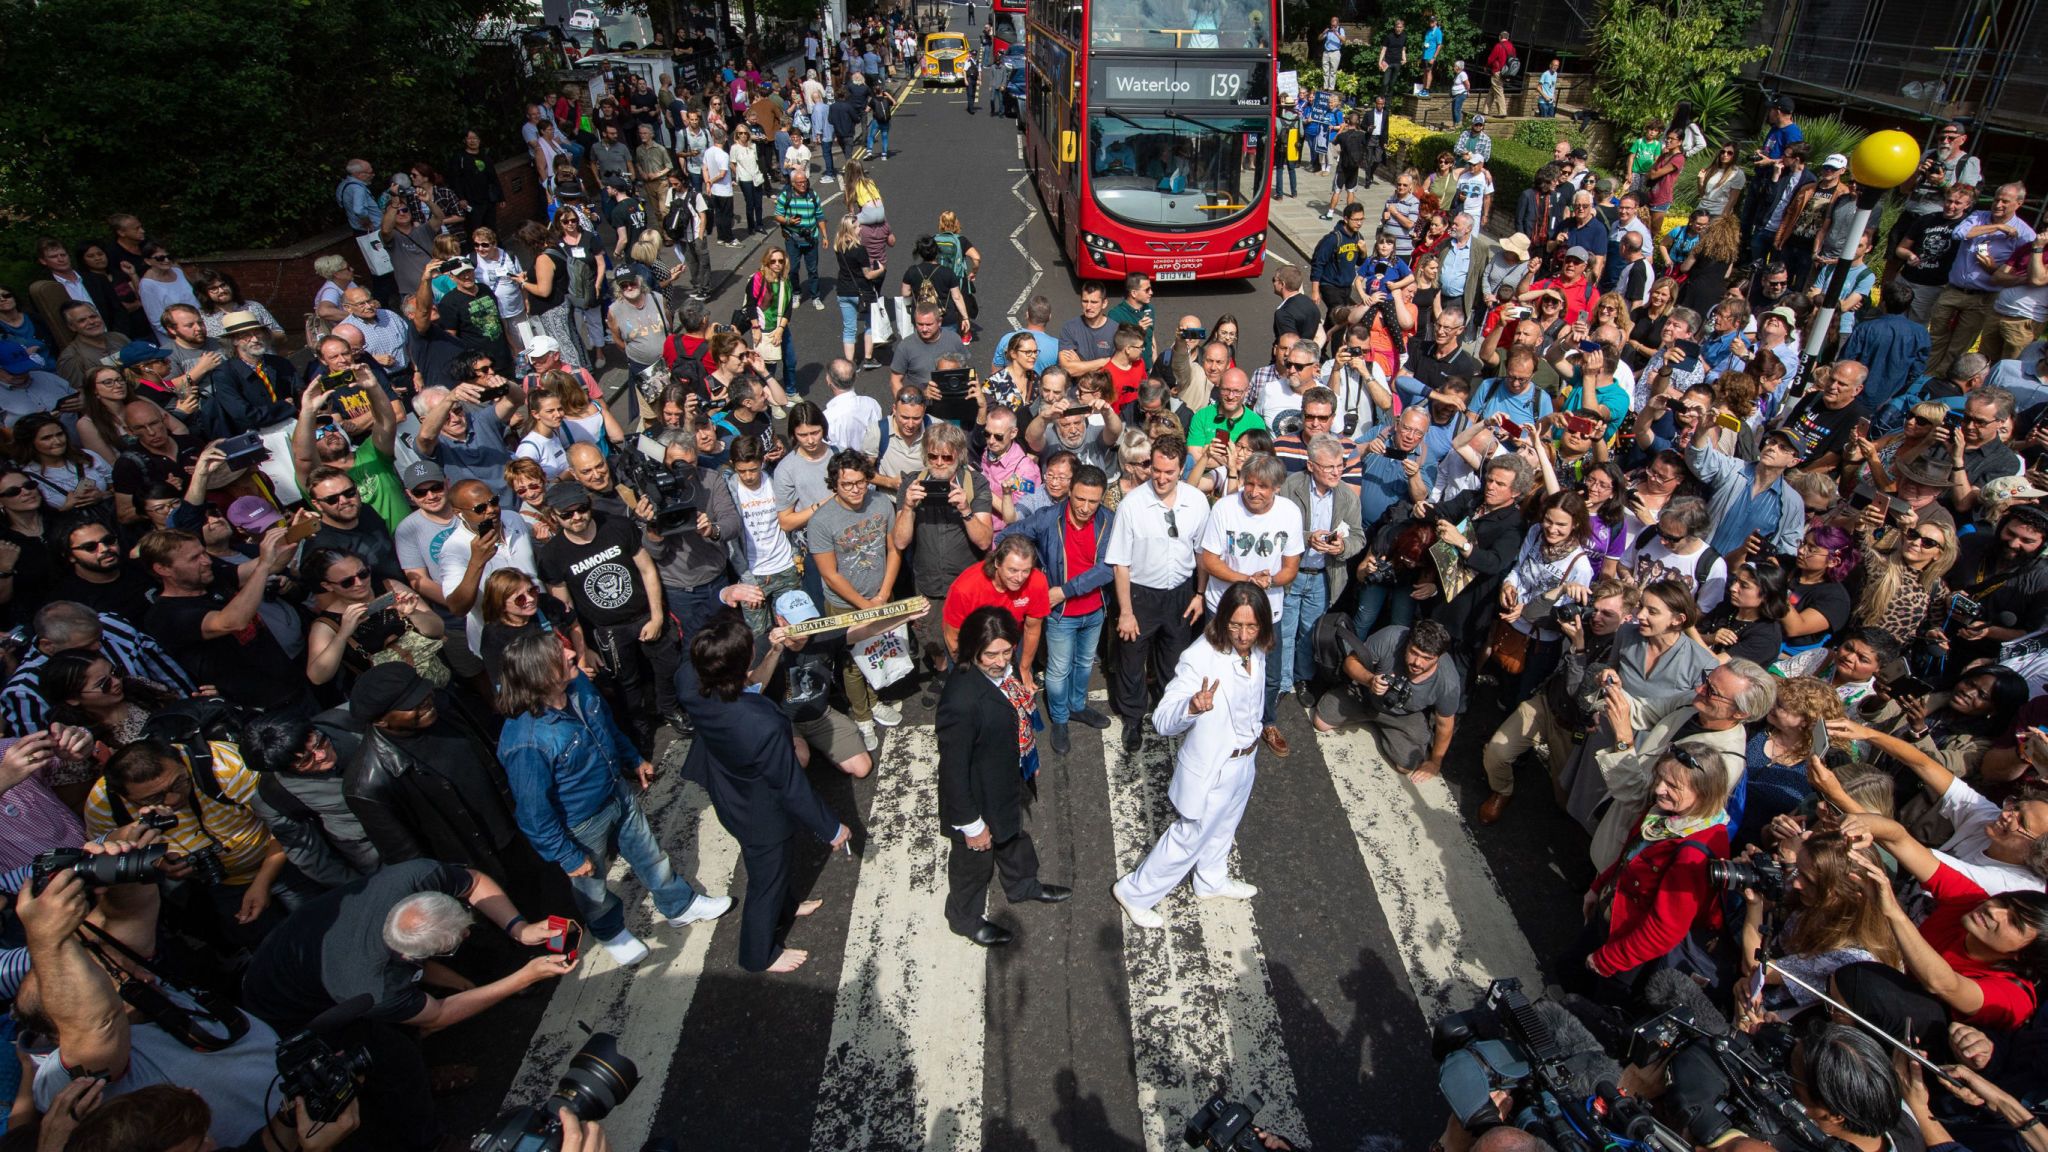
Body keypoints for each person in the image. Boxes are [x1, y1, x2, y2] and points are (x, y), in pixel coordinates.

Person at [240, 859, 569, 1150]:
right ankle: (430, 1139)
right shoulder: (375, 987)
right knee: (392, 1060)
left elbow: (474, 882)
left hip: (314, 947)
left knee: (404, 1027)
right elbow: (437, 1016)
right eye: (455, 944)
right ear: (412, 957)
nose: (467, 936)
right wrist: (524, 977)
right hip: (293, 1005)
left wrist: (519, 929)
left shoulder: (414, 876)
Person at [496, 629, 729, 967]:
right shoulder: (527, 741)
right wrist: (568, 856)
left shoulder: (578, 687)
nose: (571, 655)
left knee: (651, 855)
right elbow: (533, 814)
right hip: (580, 822)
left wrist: (633, 759)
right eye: (558, 657)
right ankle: (609, 931)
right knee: (591, 886)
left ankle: (679, 905)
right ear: (540, 675)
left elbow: (606, 726)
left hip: (617, 792)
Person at [680, 609, 852, 972]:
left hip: (729, 791)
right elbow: (790, 785)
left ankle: (786, 907)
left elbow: (747, 686)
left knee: (771, 869)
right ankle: (759, 954)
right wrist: (832, 828)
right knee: (765, 880)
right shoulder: (761, 723)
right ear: (740, 668)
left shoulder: (690, 682)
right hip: (760, 813)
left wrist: (772, 652)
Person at [1113, 582, 1273, 929]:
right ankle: (1135, 891)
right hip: (1213, 767)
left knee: (1225, 826)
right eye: (1235, 625)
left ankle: (1211, 879)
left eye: (1251, 626)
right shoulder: (1199, 656)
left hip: (1245, 759)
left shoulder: (1256, 649)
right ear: (1222, 620)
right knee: (1189, 837)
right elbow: (1162, 719)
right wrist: (1192, 706)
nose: (1244, 634)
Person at [937, 606, 1074, 946]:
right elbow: (953, 770)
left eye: (1006, 651)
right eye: (990, 655)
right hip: (978, 796)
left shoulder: (1000, 676)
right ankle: (964, 918)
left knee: (1012, 837)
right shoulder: (961, 700)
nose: (1000, 661)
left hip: (1005, 781)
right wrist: (972, 824)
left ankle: (1022, 885)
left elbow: (1016, 722)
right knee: (973, 864)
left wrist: (1028, 759)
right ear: (972, 650)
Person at [1565, 745, 1732, 1004]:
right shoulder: (1668, 814)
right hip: (1610, 923)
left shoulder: (1694, 854)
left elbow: (1665, 929)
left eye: (1672, 785)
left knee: (1591, 1009)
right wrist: (1598, 887)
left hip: (1628, 955)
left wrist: (1610, 959)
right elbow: (1631, 856)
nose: (1658, 789)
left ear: (1704, 792)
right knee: (1568, 972)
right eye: (1660, 778)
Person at [1106, 434, 1209, 752]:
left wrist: (1199, 594)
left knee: (1174, 660)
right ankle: (1133, 718)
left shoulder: (1197, 502)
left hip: (1180, 594)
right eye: (1156, 470)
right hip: (1140, 596)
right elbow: (1120, 563)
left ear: (1181, 469)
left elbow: (1202, 553)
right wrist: (1125, 612)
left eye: (1169, 472)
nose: (1161, 478)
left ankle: (1172, 713)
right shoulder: (1131, 506)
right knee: (1132, 661)